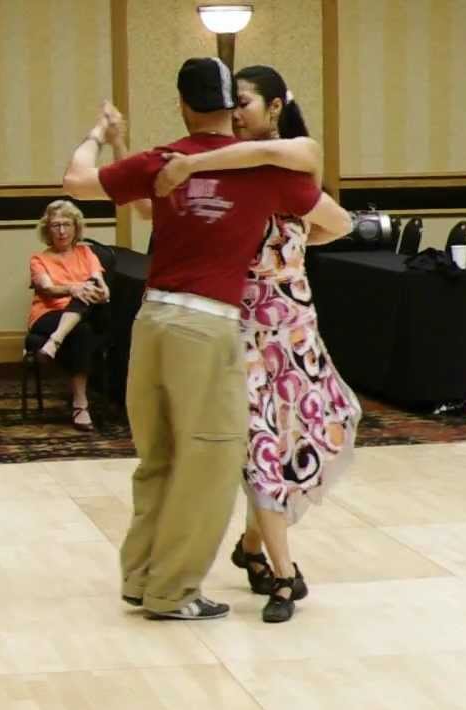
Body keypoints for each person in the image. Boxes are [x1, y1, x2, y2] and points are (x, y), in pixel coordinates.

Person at [62, 57, 351, 620]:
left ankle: (142, 578)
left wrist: (101, 135)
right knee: (213, 461)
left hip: (151, 318)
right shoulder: (270, 170)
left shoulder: (166, 160)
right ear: (232, 108)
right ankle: (173, 592)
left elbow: (79, 182)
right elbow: (331, 207)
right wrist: (285, 258)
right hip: (210, 324)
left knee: (159, 458)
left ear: (182, 104)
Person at [154, 65, 362, 623]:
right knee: (260, 446)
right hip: (241, 329)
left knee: (304, 434)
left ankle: (251, 548)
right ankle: (286, 576)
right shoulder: (236, 175)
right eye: (230, 101)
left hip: (294, 326)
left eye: (243, 101)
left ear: (274, 107)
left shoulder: (294, 157)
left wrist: (288, 254)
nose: (234, 110)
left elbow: (338, 222)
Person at [27, 199, 110, 431]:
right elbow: (48, 289)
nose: (62, 231)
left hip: (83, 312)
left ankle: (55, 342)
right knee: (82, 329)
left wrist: (102, 291)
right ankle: (80, 405)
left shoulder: (87, 253)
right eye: (56, 225)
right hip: (48, 315)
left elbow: (100, 284)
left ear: (76, 227)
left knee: (88, 293)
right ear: (47, 229)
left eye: (67, 224)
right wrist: (74, 288)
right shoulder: (39, 259)